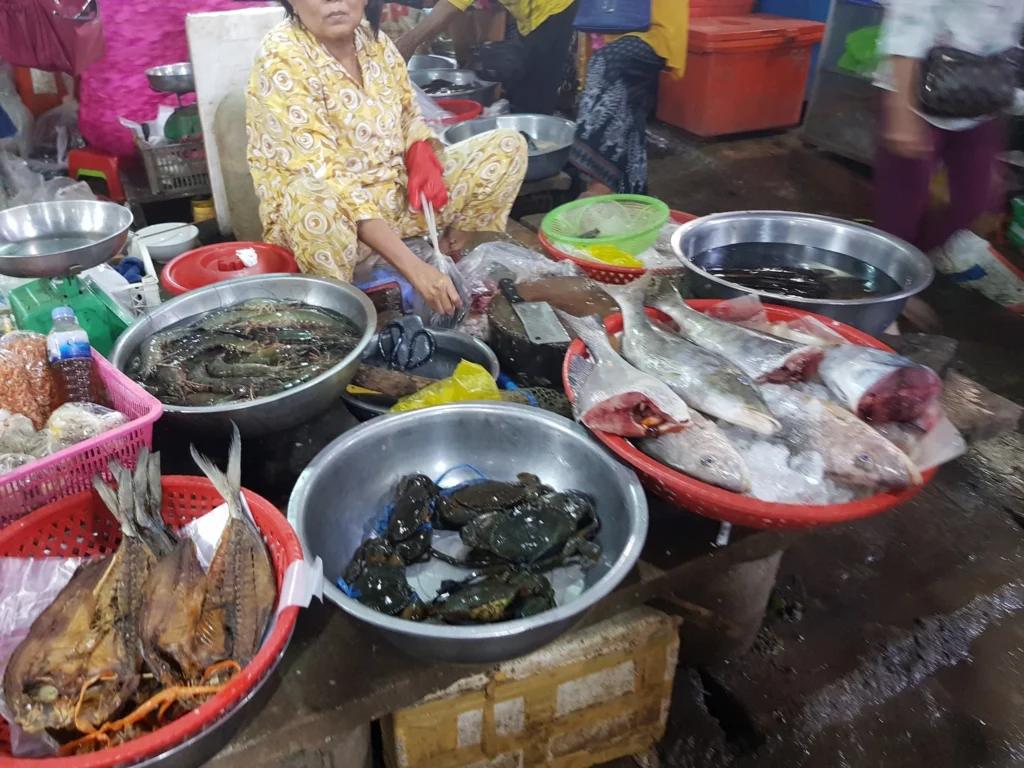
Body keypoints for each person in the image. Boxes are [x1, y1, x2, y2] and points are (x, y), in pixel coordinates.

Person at [246, 0, 528, 315]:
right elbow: (326, 177)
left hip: (394, 197)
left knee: (507, 146)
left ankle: (448, 257)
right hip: (329, 222)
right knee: (312, 197)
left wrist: (419, 149)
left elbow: (408, 113)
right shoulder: (281, 56)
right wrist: (414, 270)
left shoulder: (373, 41)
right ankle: (343, 308)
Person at [873, 0, 1024, 256]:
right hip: (915, 94)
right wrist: (901, 110)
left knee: (973, 203)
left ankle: (912, 261)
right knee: (900, 213)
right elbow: (908, 18)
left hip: (978, 101)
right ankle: (892, 275)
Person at [569, 0, 688, 196]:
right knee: (627, 110)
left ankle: (602, 180)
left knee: (607, 63)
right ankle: (631, 196)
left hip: (654, 28)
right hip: (610, 23)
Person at [393, 0, 579, 115]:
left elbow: (454, 5)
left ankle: (540, 157)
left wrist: (411, 40)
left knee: (536, 94)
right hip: (529, 17)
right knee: (529, 86)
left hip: (555, 10)